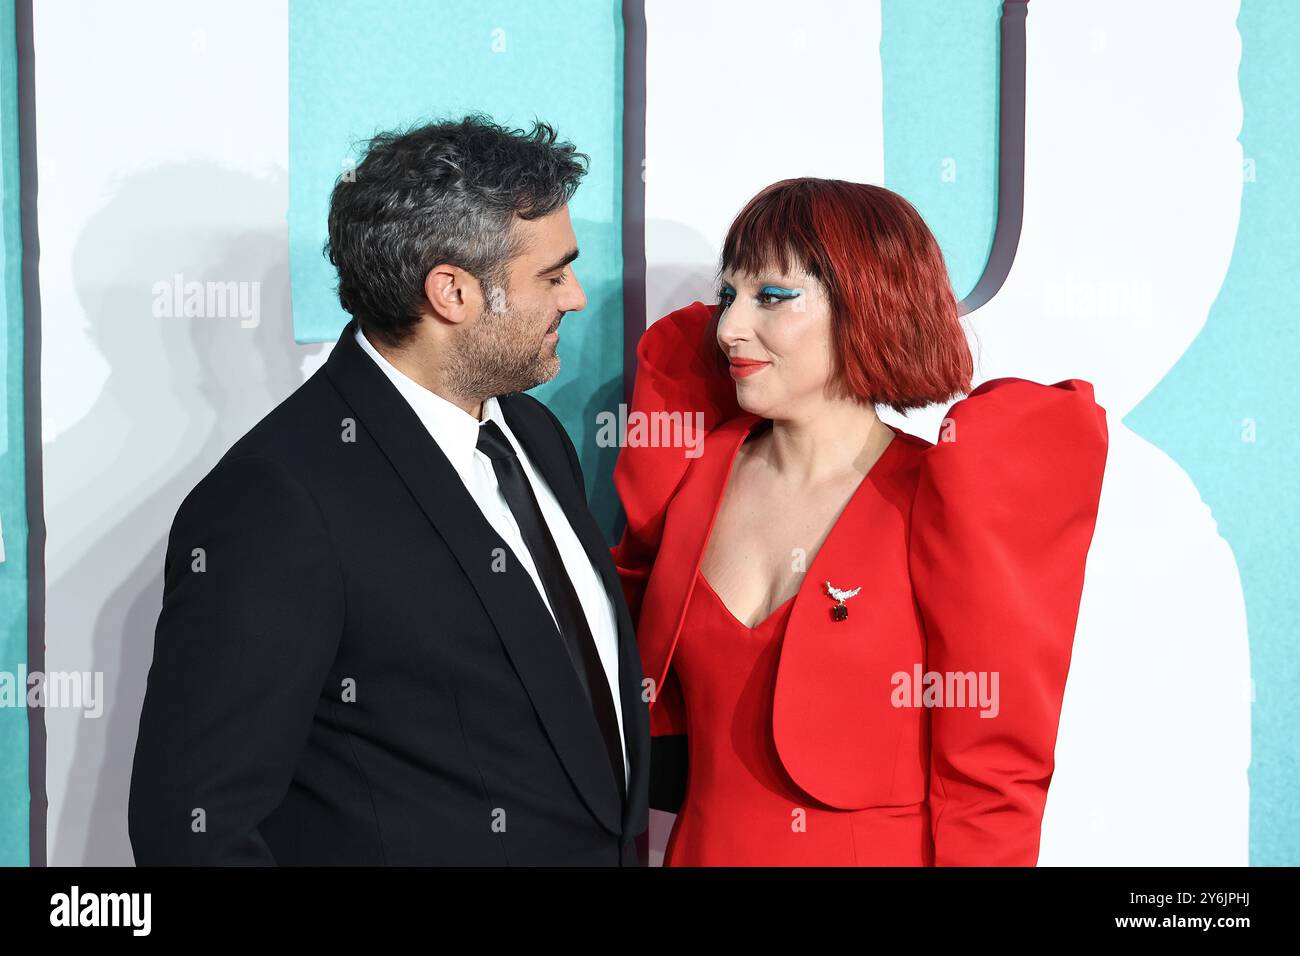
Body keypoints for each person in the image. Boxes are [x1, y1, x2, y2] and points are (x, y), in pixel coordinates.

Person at [128, 113, 649, 865]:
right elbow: (194, 826)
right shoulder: (277, 500)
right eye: (552, 273)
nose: (575, 297)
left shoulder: (533, 433)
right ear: (453, 293)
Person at [612, 178, 1108, 866]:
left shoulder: (945, 499)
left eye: (772, 297)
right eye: (729, 295)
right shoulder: (688, 478)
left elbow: (995, 769)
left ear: (868, 306)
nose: (728, 327)